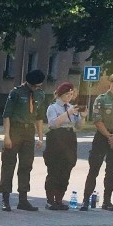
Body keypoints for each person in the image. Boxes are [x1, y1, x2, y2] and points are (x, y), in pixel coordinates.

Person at [0, 69, 45, 211]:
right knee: (8, 165)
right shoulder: (16, 93)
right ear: (29, 84)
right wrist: (6, 136)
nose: (37, 88)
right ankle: (5, 199)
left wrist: (40, 137)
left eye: (39, 86)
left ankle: (23, 199)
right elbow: (6, 115)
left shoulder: (40, 94)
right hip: (15, 130)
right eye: (35, 86)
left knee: (26, 165)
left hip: (29, 132)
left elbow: (39, 117)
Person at [81, 71, 113, 212]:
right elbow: (97, 120)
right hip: (102, 138)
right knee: (94, 169)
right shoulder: (101, 99)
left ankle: (107, 201)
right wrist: (110, 137)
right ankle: (85, 200)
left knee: (112, 171)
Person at [43, 82, 83, 210]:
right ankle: (50, 201)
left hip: (69, 138)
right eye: (67, 94)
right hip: (56, 138)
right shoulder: (53, 107)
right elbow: (53, 124)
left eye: (71, 94)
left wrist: (82, 117)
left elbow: (78, 127)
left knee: (66, 170)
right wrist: (68, 113)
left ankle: (59, 200)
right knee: (54, 170)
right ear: (60, 94)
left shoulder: (72, 107)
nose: (69, 97)